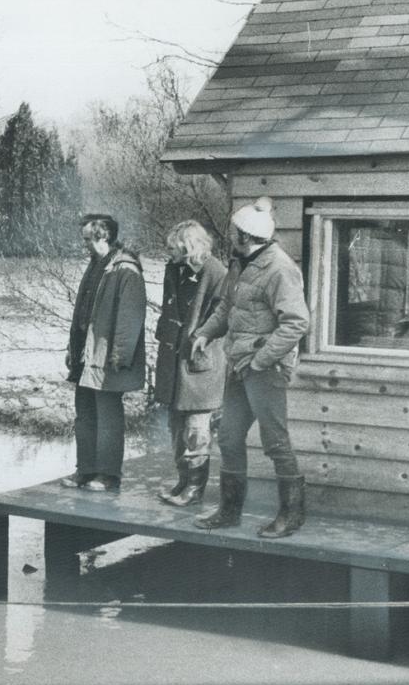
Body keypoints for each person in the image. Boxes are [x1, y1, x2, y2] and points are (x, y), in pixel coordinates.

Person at [189, 197, 310, 538]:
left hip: (264, 368)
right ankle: (229, 511)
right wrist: (205, 333)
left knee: (275, 442)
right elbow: (228, 305)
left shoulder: (279, 269)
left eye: (233, 232)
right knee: (228, 437)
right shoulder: (240, 263)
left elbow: (296, 323)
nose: (230, 236)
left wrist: (260, 359)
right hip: (239, 364)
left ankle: (292, 514)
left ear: (244, 235)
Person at [61, 213, 146, 492]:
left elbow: (130, 317)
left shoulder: (126, 270)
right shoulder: (96, 264)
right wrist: (72, 350)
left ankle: (108, 475)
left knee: (108, 416)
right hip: (86, 357)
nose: (84, 244)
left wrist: (120, 355)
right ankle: (84, 471)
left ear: (104, 236)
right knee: (84, 414)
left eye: (88, 239)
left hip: (108, 358)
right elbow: (83, 314)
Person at [154, 220, 227, 507]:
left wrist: (200, 338)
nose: (169, 251)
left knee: (197, 430)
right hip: (173, 359)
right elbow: (167, 309)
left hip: (201, 364)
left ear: (189, 246)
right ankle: (183, 482)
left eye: (174, 247)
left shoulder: (217, 273)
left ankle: (195, 490)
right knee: (176, 428)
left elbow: (222, 318)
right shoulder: (173, 269)